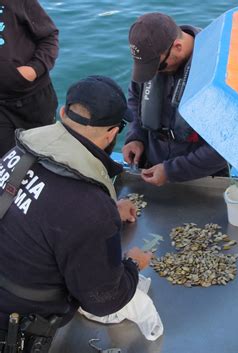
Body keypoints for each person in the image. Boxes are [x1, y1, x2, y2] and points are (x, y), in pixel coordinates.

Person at [0, 76, 152, 353]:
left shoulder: (17, 153)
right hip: (16, 326)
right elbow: (104, 300)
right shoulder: (88, 207)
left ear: (62, 113)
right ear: (111, 134)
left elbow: (40, 213)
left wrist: (107, 215)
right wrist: (132, 265)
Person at [122, 12, 228, 187]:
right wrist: (135, 137)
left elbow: (225, 147)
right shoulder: (150, 59)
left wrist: (172, 170)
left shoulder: (218, 70)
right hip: (153, 166)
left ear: (178, 46)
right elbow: (135, 98)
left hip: (204, 180)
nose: (153, 73)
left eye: (158, 67)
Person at [0, 0, 60, 156]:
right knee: (7, 165)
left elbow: (49, 37)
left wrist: (33, 69)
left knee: (45, 158)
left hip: (34, 98)